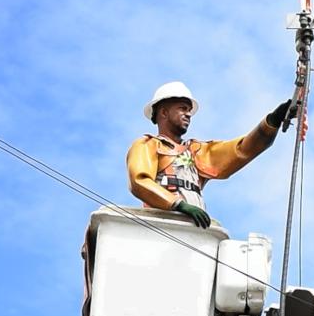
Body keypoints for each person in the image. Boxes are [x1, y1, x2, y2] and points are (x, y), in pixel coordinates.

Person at [126, 81, 294, 228]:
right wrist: (177, 204)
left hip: (195, 226)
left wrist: (273, 120)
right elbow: (140, 180)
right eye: (182, 109)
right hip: (164, 222)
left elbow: (242, 150)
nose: (188, 114)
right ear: (163, 113)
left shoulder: (196, 150)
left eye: (190, 111)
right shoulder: (147, 145)